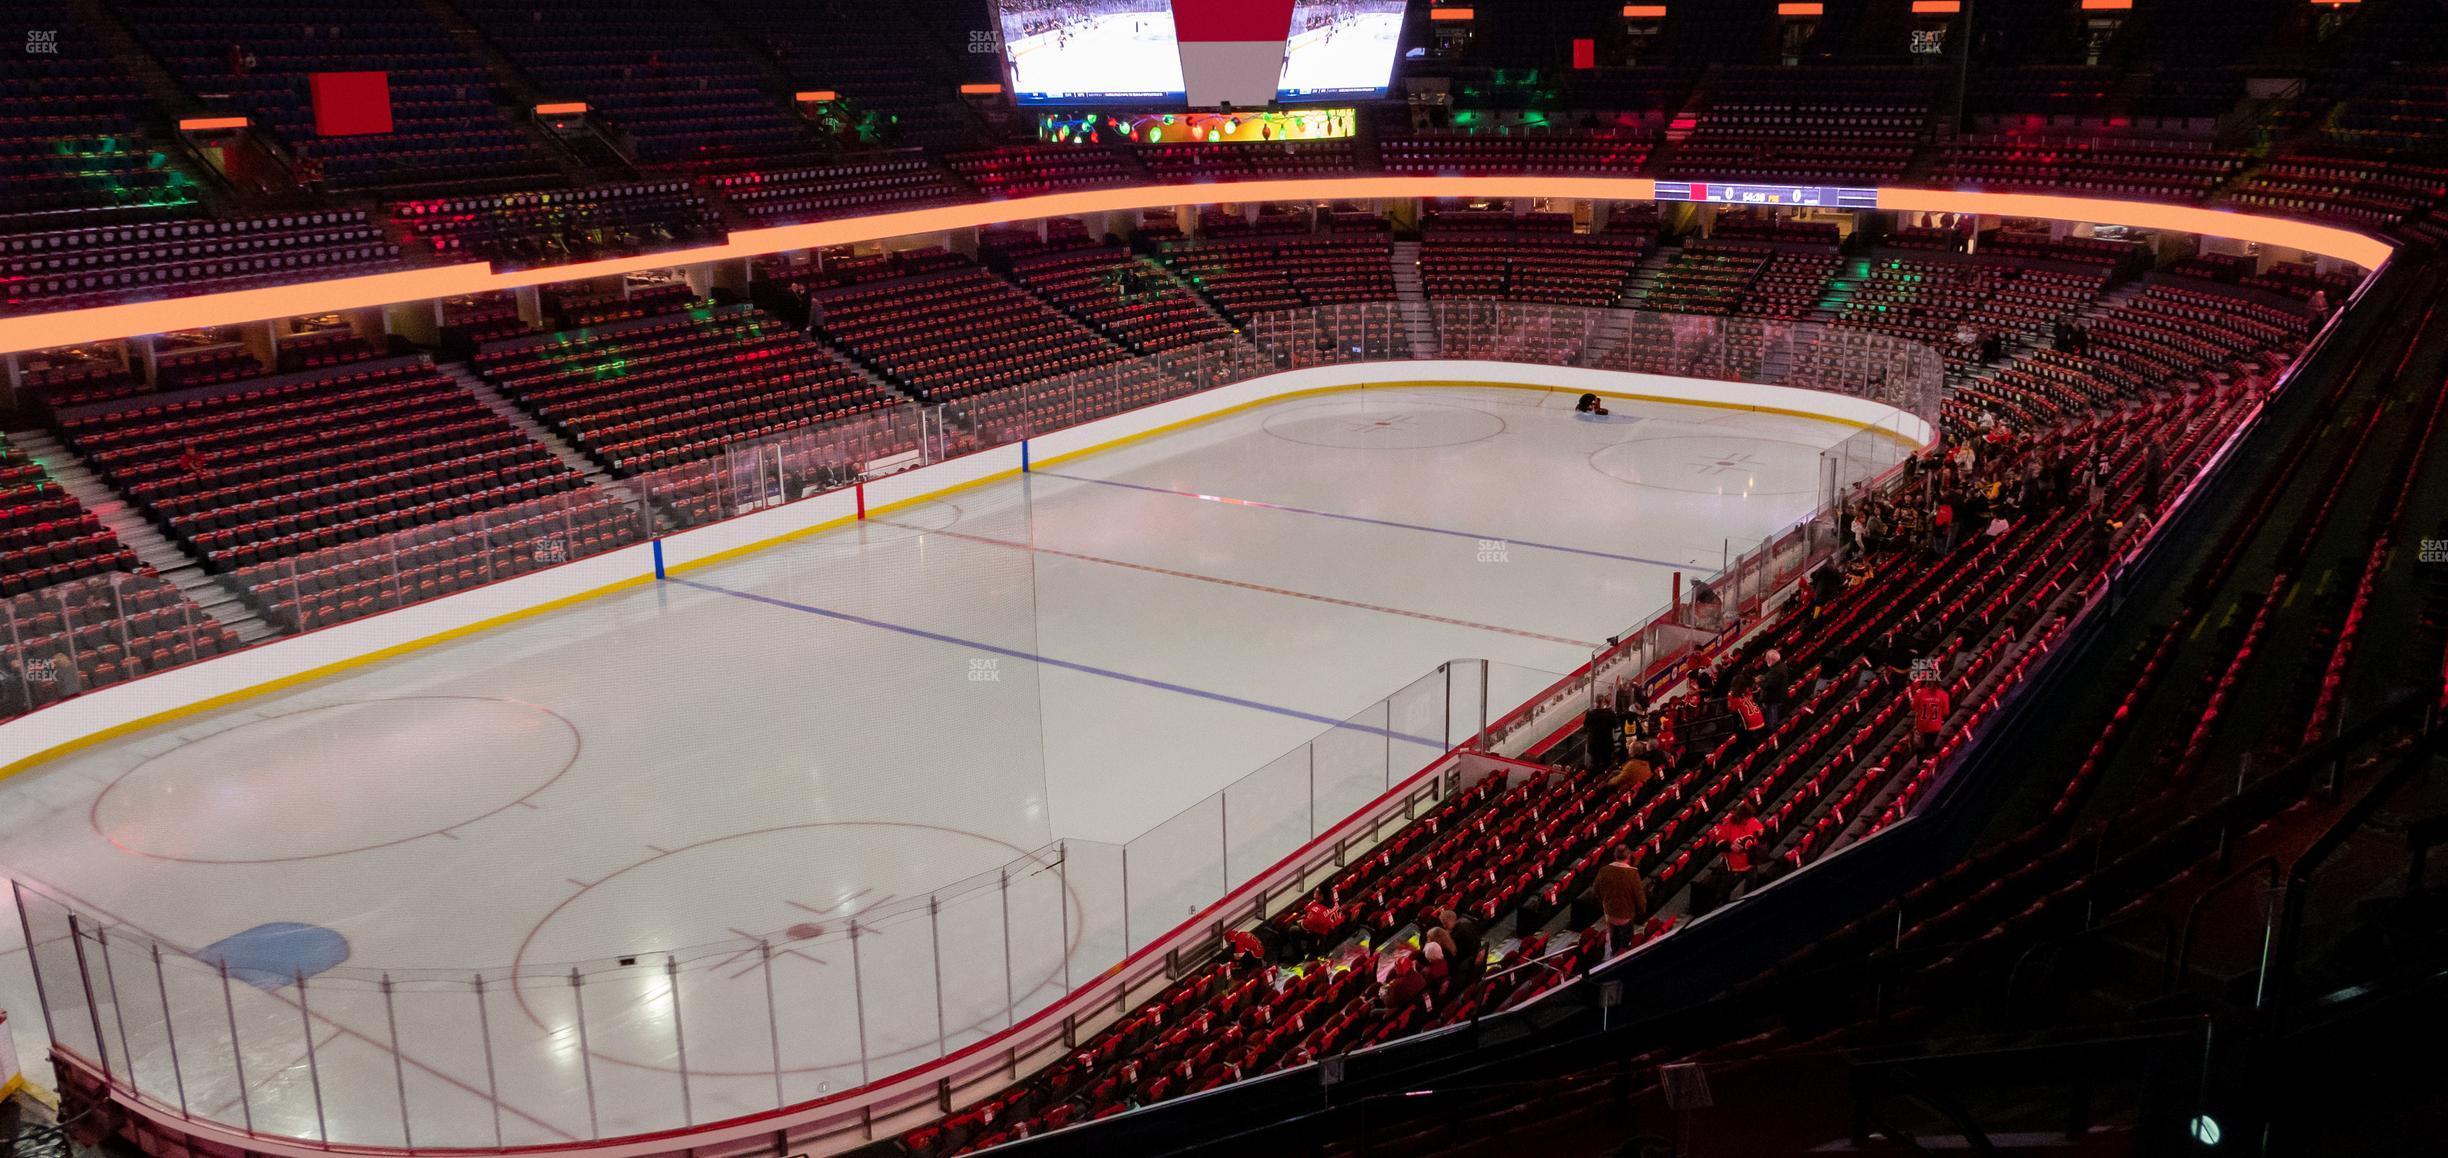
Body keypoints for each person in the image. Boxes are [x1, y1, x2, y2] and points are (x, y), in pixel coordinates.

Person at [1592, 847, 1648, 955]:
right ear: (1628, 857)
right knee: (1625, 940)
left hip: (1610, 912)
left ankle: (1614, 952)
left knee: (1614, 936)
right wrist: (1642, 909)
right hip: (1626, 914)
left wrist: (1604, 901)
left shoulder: (1604, 870)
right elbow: (1639, 896)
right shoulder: (1632, 873)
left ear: (1615, 856)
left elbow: (1595, 890)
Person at [1435, 907, 1485, 988]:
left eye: (1445, 922)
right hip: (1474, 954)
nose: (1444, 926)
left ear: (1452, 919)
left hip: (1468, 962)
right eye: (1442, 923)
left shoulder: (1456, 935)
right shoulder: (1465, 922)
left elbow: (1455, 951)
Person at [1908, 677, 1951, 754]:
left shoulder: (1920, 694)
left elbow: (1913, 707)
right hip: (1935, 725)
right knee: (1930, 741)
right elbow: (1946, 712)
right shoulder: (1943, 695)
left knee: (1921, 745)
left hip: (1922, 725)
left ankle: (1923, 754)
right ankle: (1930, 751)